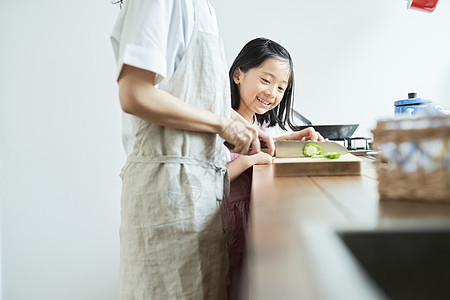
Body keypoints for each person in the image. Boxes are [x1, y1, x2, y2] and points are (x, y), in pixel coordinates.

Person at [110, 1, 274, 299]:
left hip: (197, 195)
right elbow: (134, 93)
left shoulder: (202, 8)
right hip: (166, 190)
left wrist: (255, 132)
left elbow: (195, 99)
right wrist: (222, 124)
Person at [221, 37, 324, 300]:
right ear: (237, 75)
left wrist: (289, 139)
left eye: (281, 87)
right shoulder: (221, 121)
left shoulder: (256, 124)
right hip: (228, 219)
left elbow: (253, 147)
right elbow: (215, 176)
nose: (272, 93)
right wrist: (250, 161)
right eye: (266, 80)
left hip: (250, 214)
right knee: (232, 282)